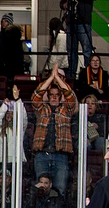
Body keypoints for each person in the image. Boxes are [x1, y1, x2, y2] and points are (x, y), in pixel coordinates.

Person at [31, 65, 77, 196]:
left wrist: (58, 78)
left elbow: (71, 96)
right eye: (51, 95)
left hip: (60, 155)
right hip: (42, 154)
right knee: (39, 190)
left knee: (59, 190)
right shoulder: (41, 109)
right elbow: (36, 95)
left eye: (57, 95)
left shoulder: (66, 109)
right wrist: (51, 78)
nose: (54, 98)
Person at [59, 0, 98, 73]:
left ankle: (87, 74)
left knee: (87, 50)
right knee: (71, 51)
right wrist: (65, 4)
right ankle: (71, 75)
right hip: (71, 22)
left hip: (84, 22)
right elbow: (61, 4)